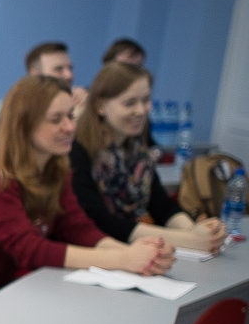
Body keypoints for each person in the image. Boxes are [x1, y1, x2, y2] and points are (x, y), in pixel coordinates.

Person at [0, 75, 176, 324]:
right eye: (56, 120)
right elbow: (30, 249)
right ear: (24, 124)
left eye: (71, 116)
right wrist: (124, 259)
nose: (69, 127)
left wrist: (132, 255)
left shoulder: (55, 167)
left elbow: (77, 227)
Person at [71, 62, 226, 252]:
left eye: (146, 100)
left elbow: (162, 205)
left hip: (131, 249)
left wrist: (196, 230)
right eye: (130, 103)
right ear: (101, 106)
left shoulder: (135, 149)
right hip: (97, 252)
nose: (142, 110)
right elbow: (100, 220)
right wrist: (189, 239)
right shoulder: (77, 151)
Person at [0, 41, 88, 154]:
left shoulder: (78, 103)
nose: (69, 75)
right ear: (35, 75)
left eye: (70, 68)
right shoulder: (14, 104)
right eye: (59, 69)